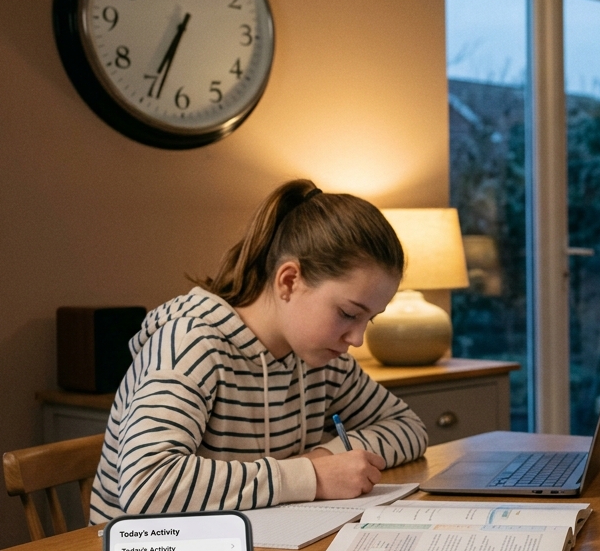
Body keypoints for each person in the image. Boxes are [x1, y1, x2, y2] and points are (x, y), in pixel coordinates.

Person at [90, 179, 427, 523]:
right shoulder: (190, 345)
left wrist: (326, 456)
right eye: (347, 314)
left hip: (251, 548)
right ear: (289, 281)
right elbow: (147, 485)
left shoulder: (322, 358)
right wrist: (309, 476)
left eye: (368, 320)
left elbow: (408, 428)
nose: (356, 339)